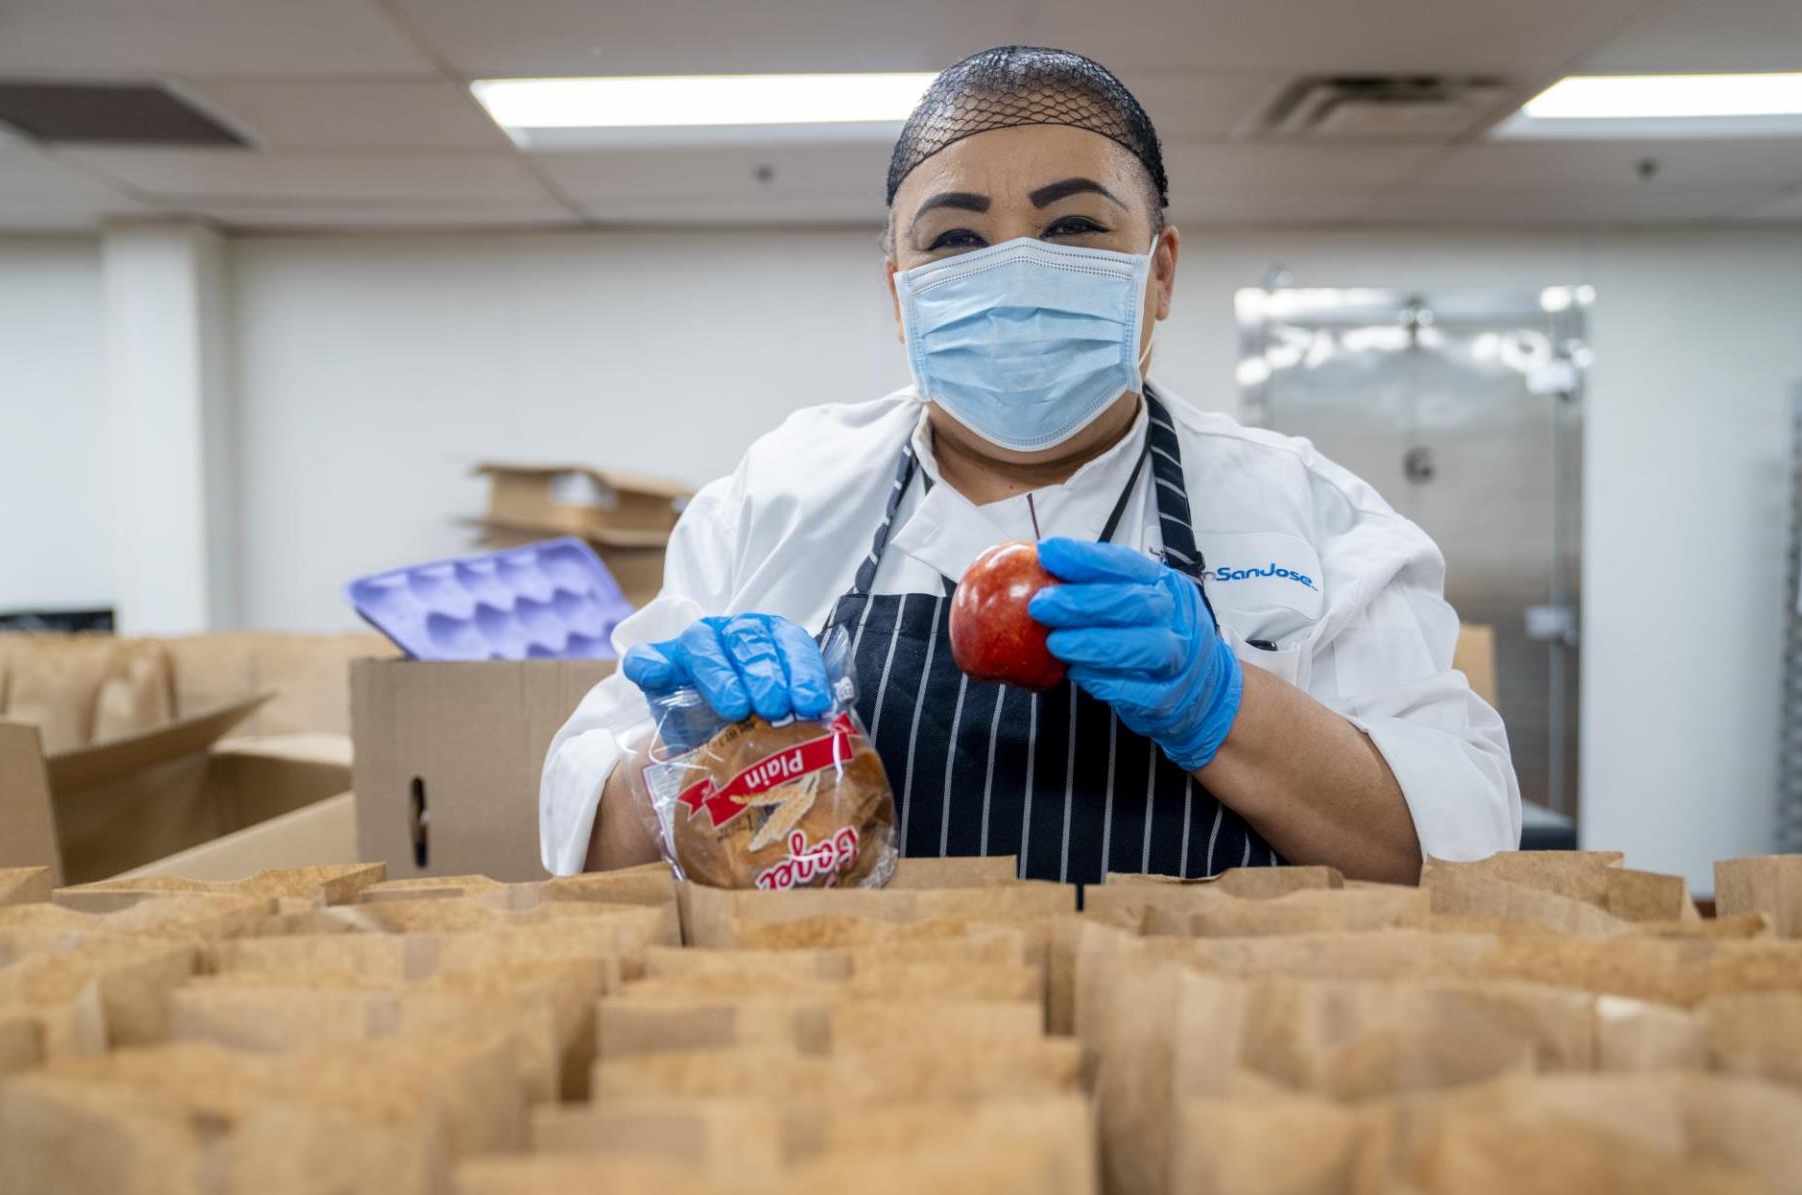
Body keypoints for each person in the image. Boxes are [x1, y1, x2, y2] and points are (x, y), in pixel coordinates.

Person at [541, 46, 1517, 885]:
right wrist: (673, 764)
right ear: (901, 292)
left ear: (1160, 270)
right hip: (847, 1062)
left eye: (1074, 227)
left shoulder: (1306, 511)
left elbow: (1464, 840)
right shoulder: (777, 497)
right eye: (956, 238)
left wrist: (1228, 704)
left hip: (1213, 1065)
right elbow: (585, 840)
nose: (1014, 271)